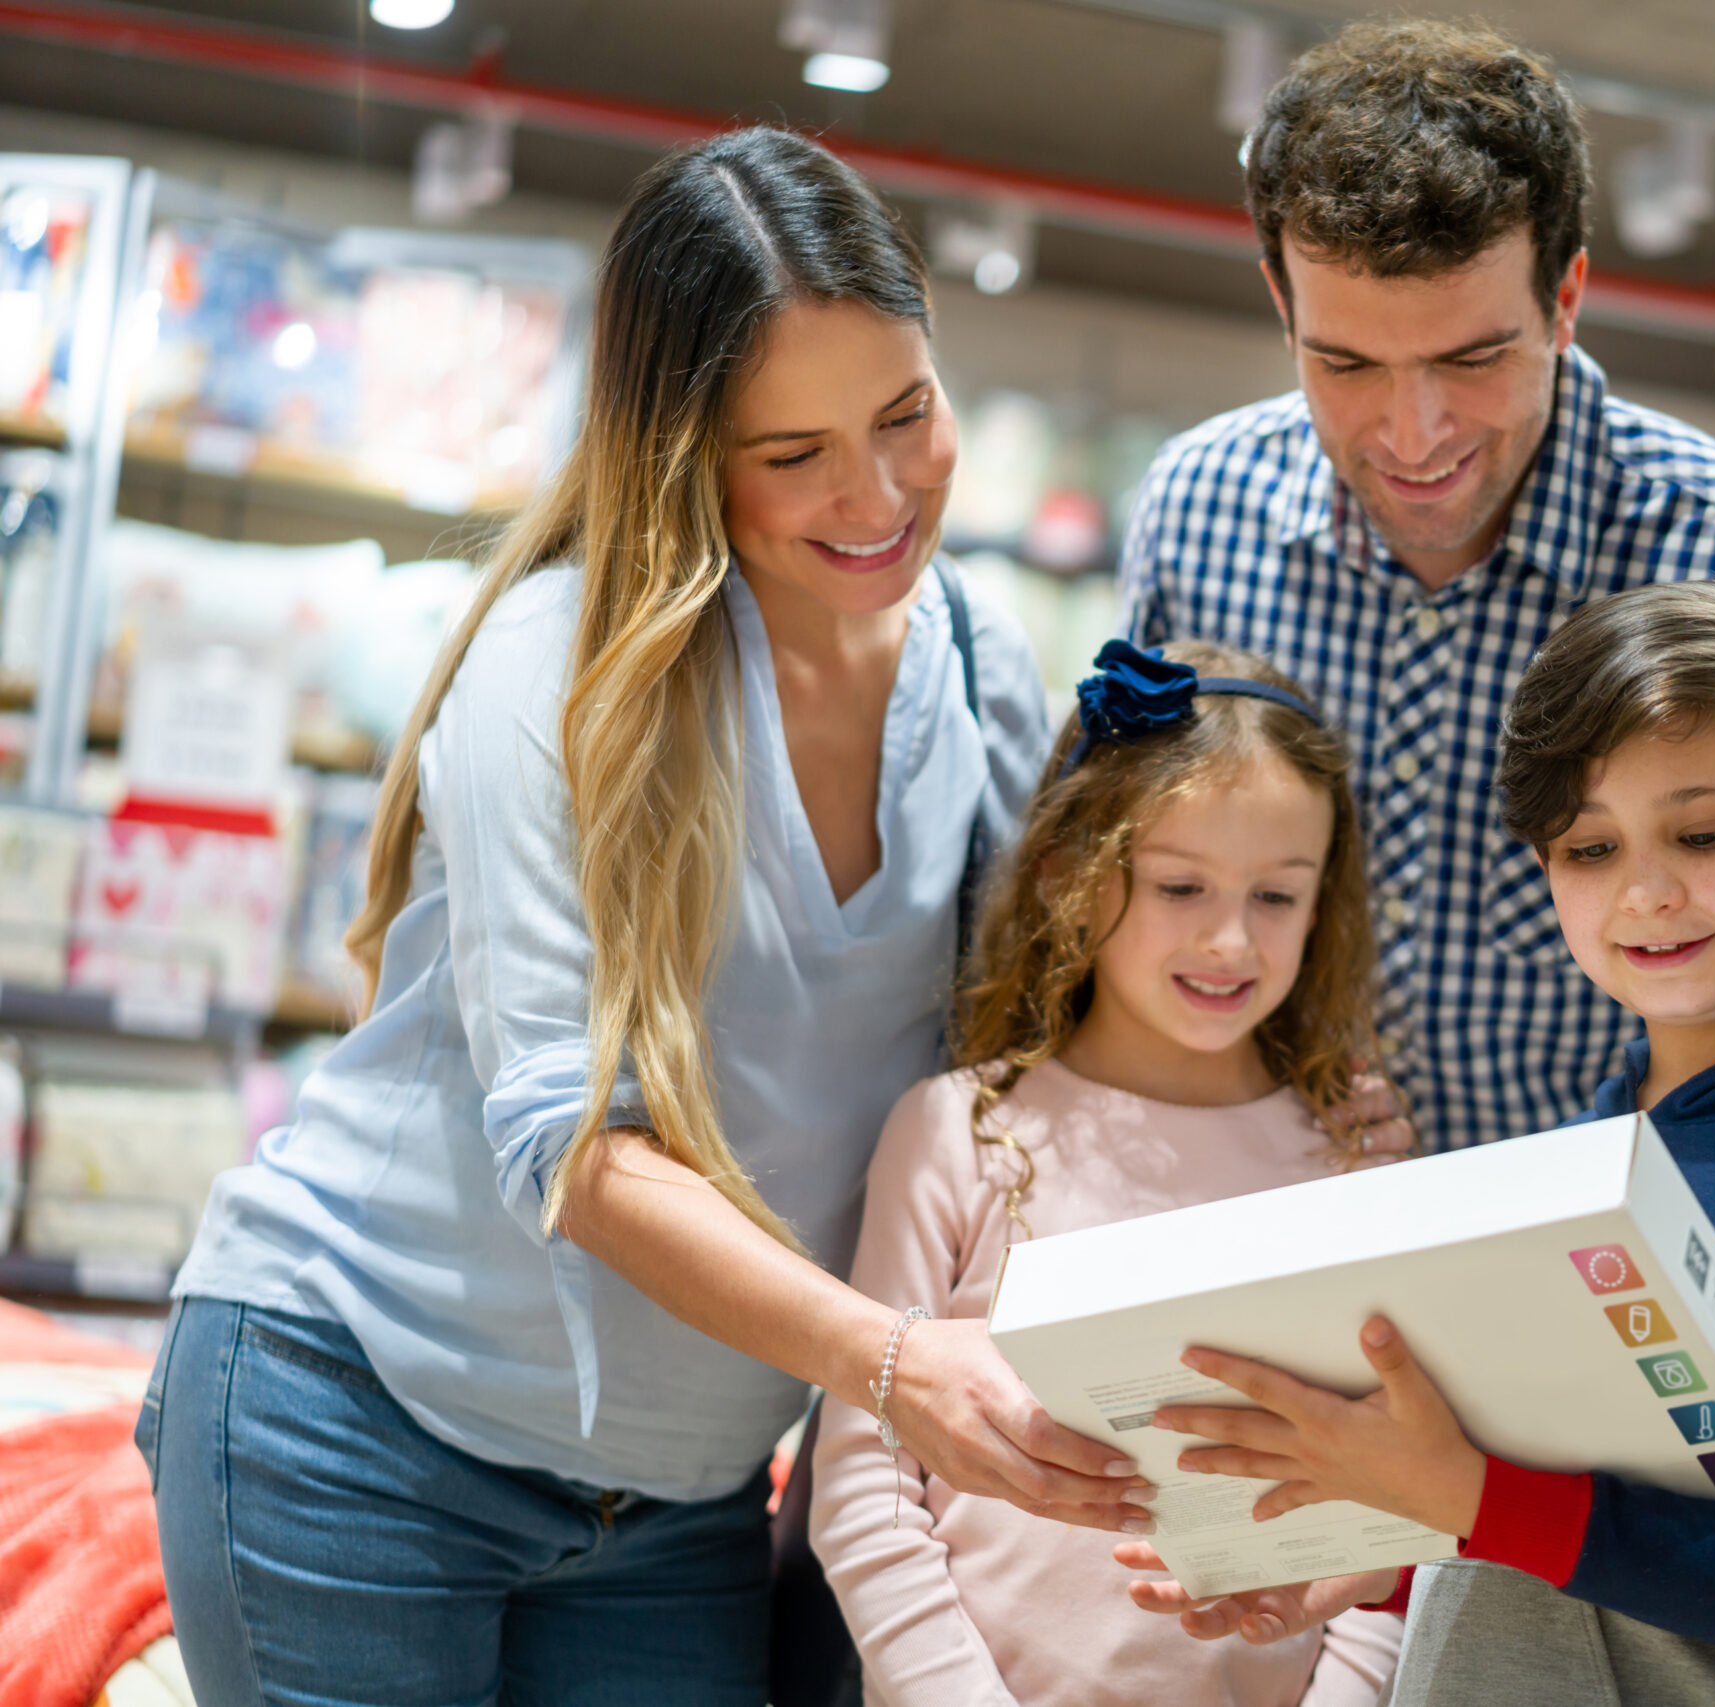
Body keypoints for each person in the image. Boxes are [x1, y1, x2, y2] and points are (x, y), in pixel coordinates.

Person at [137, 128, 1153, 1707]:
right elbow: (577, 1149)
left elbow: (1021, 1058)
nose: (879, 494)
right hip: (354, 1423)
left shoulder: (974, 660)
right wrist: (890, 1362)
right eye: (794, 451)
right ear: (683, 453)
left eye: (905, 413)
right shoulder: (561, 671)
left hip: (675, 1497)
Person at [1117, 581, 1715, 1707]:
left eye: (1704, 832)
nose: (1645, 890)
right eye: (1588, 850)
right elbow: (1565, 1513)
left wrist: (1472, 1499)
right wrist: (1371, 1556)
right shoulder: (1598, 1142)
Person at [1119, 19, 1715, 1154]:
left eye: (1472, 360)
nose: (1412, 434)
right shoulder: (1195, 513)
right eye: (1345, 364)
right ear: (1282, 303)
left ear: (1564, 299)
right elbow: (1114, 901)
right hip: (1271, 1232)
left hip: (1618, 1284)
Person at [809, 639, 1404, 1706]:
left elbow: (1400, 1506)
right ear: (1071, 878)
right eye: (1181, 885)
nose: (1230, 939)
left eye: (1277, 895)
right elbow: (865, 1480)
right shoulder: (959, 1132)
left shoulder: (1359, 1158)